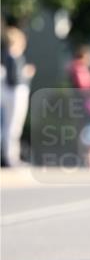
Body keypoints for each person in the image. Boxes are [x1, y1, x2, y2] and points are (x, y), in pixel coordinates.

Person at [1, 24, 36, 167]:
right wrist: (26, 74)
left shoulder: (7, 55)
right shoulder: (13, 55)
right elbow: (14, 79)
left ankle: (10, 157)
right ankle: (11, 158)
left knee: (9, 127)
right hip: (15, 93)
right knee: (13, 127)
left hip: (10, 93)